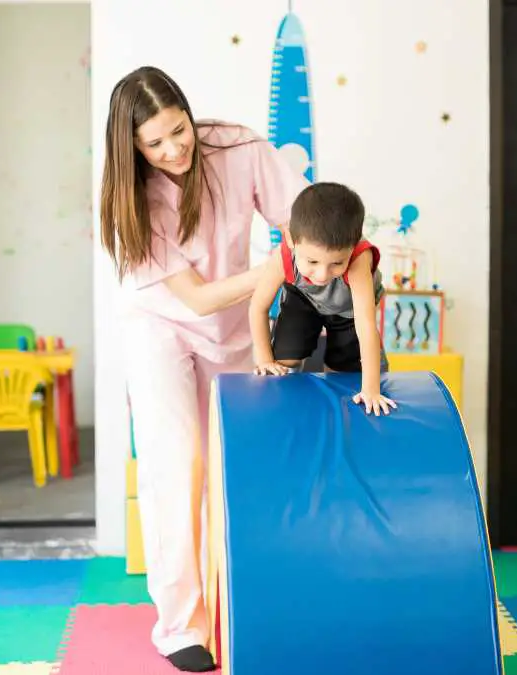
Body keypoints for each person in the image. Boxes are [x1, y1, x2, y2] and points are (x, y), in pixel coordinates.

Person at [100, 65, 308, 672]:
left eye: (178, 131)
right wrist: (276, 272)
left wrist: (320, 266)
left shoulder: (239, 146)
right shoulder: (126, 201)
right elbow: (192, 299)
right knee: (176, 467)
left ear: (191, 116)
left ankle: (242, 604)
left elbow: (299, 222)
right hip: (160, 330)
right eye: (154, 143)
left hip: (234, 327)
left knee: (235, 468)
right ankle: (180, 627)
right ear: (132, 147)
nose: (173, 150)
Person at [248, 182, 397, 416]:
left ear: (352, 247)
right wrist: (265, 360)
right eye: (312, 262)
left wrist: (371, 390)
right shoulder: (284, 255)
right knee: (284, 356)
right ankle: (284, 408)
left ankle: (334, 411)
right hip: (304, 298)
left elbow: (366, 325)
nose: (322, 274)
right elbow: (258, 307)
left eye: (337, 263)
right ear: (292, 242)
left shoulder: (359, 260)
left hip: (348, 309)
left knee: (343, 369)